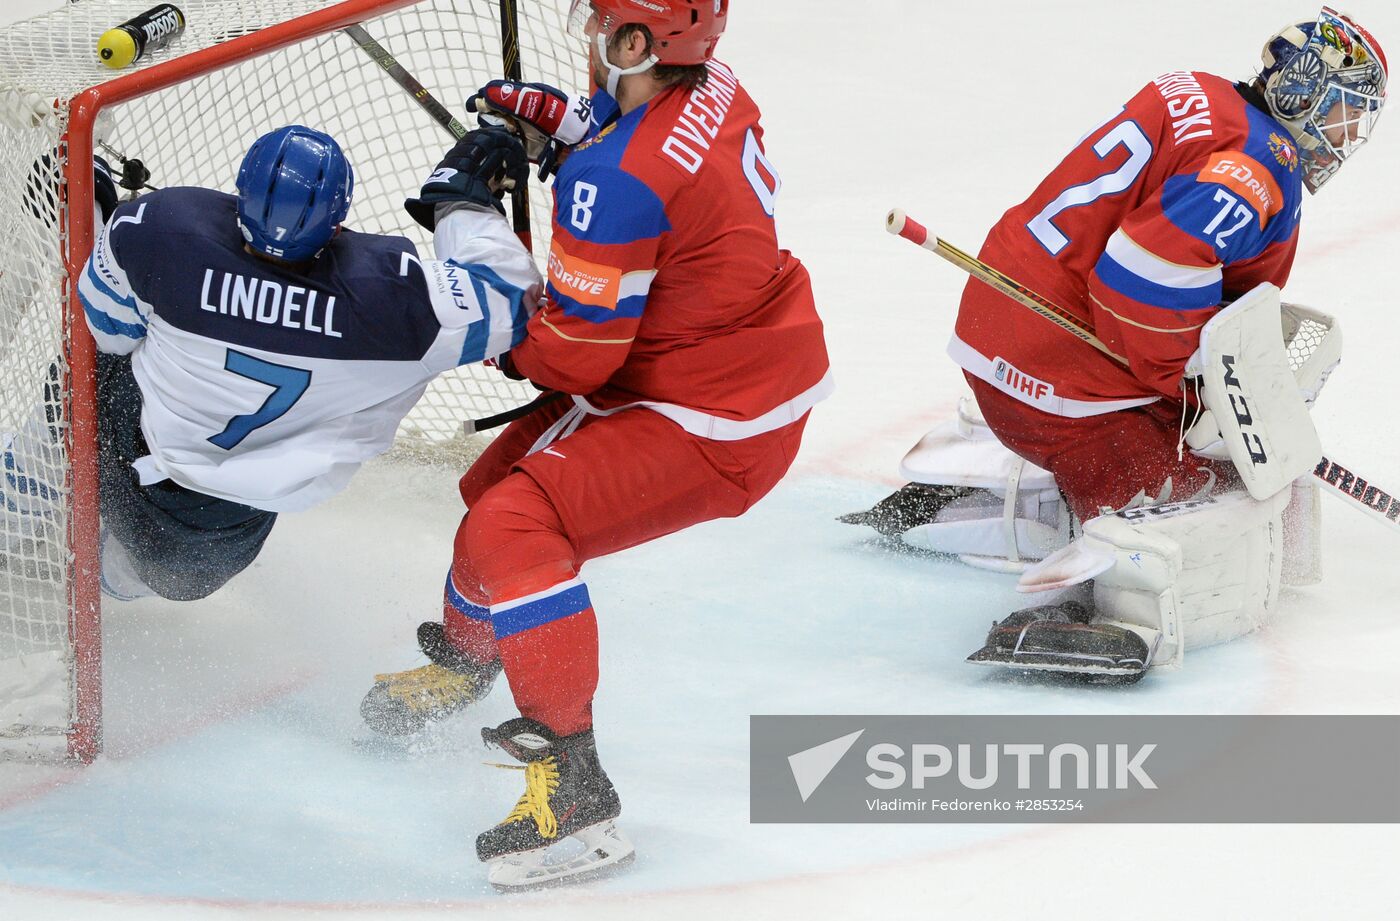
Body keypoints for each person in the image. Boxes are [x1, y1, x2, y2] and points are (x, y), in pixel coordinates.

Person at [359, 0, 830, 888]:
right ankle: (470, 661)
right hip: (722, 367)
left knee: (513, 528)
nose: (587, 35)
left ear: (638, 43)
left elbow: (571, 357)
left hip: (711, 418)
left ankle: (573, 789)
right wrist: (578, 128)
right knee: (490, 496)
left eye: (603, 23)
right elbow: (654, 159)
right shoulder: (715, 87)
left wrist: (469, 225)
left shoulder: (615, 182)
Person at [845, 7, 1384, 680]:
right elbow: (1142, 274)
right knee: (1213, 489)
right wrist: (1188, 382)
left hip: (1008, 320)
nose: (1345, 136)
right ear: (1305, 87)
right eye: (1343, 113)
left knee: (1200, 440)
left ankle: (1051, 487)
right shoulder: (1259, 165)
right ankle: (1105, 586)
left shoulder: (1205, 92)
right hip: (1053, 366)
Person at [30, 124, 538, 601]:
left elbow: (105, 331)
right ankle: (104, 584)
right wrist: (461, 200)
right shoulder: (398, 303)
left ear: (240, 193)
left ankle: (19, 492)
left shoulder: (161, 228)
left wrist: (98, 215)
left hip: (127, 458)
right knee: (149, 574)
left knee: (82, 368)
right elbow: (514, 295)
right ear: (337, 221)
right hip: (219, 541)